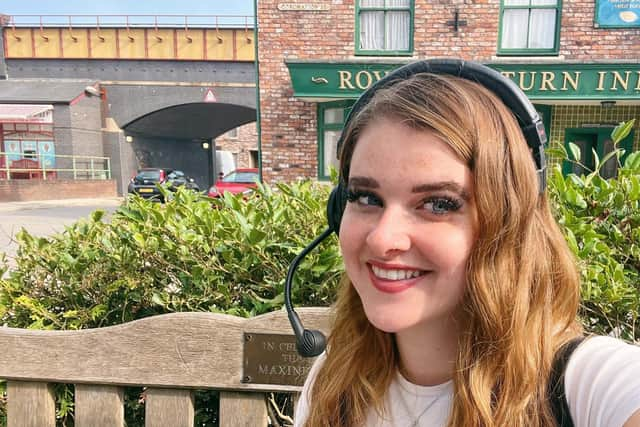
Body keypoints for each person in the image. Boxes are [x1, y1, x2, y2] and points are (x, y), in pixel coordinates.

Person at [293, 61, 640, 427]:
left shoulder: (589, 385)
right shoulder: (333, 381)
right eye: (365, 196)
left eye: (438, 203)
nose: (382, 239)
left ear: (508, 222)